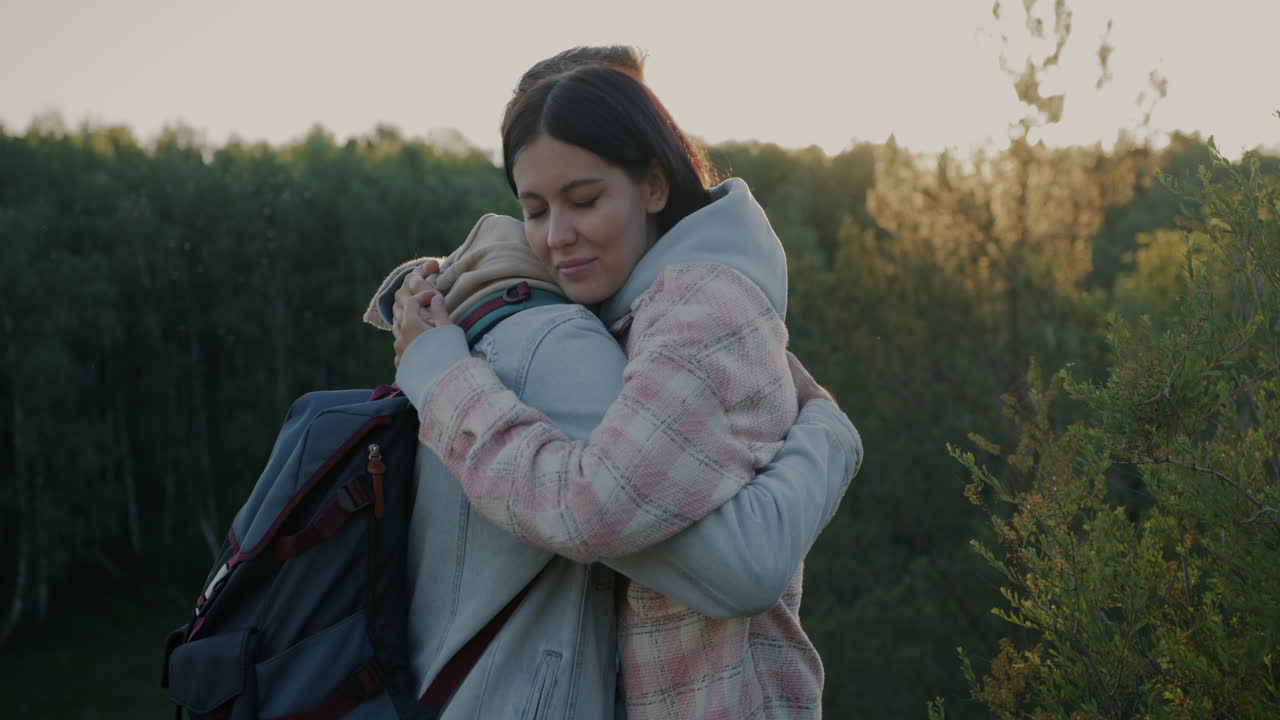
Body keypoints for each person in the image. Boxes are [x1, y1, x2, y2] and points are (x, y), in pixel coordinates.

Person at [392, 52, 857, 719]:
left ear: (655, 185)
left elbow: (589, 508)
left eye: (584, 201)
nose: (557, 236)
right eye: (534, 210)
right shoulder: (650, 303)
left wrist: (440, 377)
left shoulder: (699, 308)